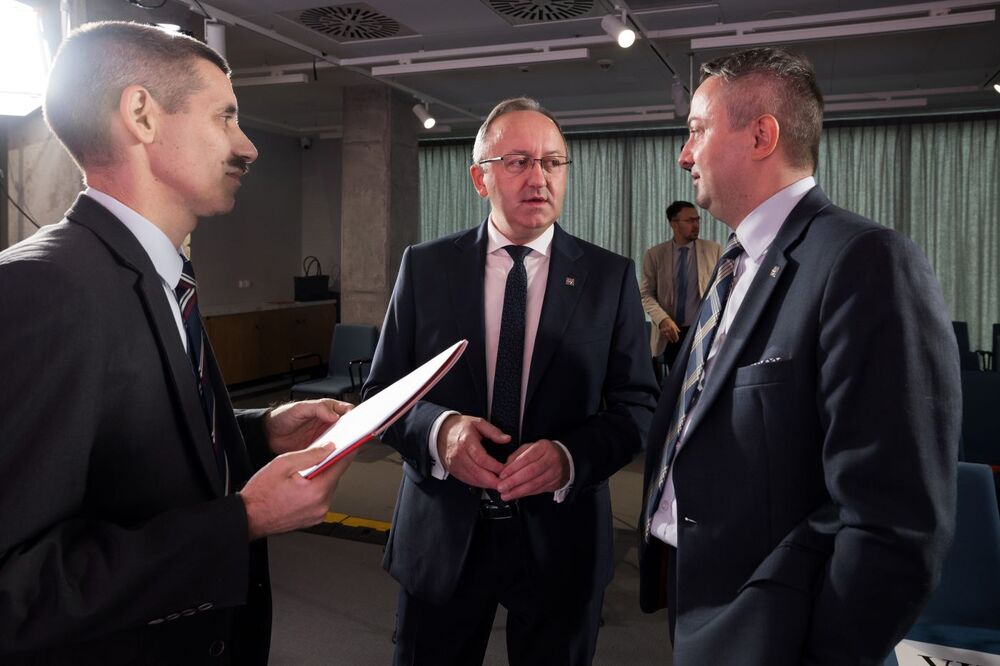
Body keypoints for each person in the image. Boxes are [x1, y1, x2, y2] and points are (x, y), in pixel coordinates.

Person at [0, 22, 355, 665]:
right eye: (226, 116)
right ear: (142, 115)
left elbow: (125, 452)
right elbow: (15, 591)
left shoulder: (159, 274)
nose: (248, 146)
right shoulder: (38, 291)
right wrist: (239, 521)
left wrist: (259, 432)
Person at [637, 47, 961, 664]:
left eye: (697, 132)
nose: (684, 155)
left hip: (782, 629)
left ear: (761, 135)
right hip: (702, 601)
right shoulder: (736, 265)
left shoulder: (866, 261)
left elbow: (894, 523)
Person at [364, 97, 658, 666]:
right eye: (519, 161)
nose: (540, 177)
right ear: (481, 177)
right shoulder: (425, 268)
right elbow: (381, 395)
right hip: (444, 533)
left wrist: (570, 456)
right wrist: (439, 432)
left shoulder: (609, 277)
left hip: (560, 535)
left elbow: (639, 405)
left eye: (553, 162)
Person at [640, 201, 721, 377]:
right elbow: (646, 294)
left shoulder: (714, 250)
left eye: (697, 220)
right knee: (674, 387)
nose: (696, 225)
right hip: (671, 334)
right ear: (674, 224)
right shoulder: (655, 255)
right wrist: (662, 320)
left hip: (702, 330)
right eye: (690, 221)